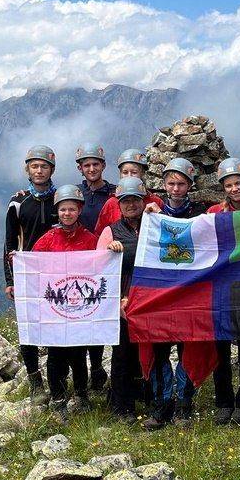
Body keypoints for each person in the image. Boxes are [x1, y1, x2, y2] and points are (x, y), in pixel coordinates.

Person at [142, 157, 209, 429]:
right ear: (163, 184)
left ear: (189, 185)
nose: (175, 188)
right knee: (159, 350)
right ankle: (162, 405)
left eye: (181, 183)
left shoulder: (201, 213)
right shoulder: (152, 214)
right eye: (171, 183)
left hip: (190, 295)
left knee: (187, 349)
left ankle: (184, 404)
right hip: (159, 294)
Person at [31, 184, 99, 422]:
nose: (67, 214)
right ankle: (58, 399)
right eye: (63, 210)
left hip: (80, 309)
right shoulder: (47, 239)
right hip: (55, 311)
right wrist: (19, 261)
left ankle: (81, 395)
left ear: (79, 210)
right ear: (57, 212)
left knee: (79, 354)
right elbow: (33, 265)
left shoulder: (90, 239)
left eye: (71, 209)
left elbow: (101, 268)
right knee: (56, 355)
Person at [4, 145, 59, 406]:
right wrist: (10, 280)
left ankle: (57, 379)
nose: (39, 170)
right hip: (28, 273)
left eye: (44, 166)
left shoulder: (62, 199)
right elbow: (9, 243)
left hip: (57, 272)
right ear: (27, 169)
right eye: (34, 166)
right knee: (29, 328)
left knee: (58, 325)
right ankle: (35, 381)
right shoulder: (17, 202)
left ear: (52, 170)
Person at [207, 158, 240, 425]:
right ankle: (223, 402)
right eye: (229, 185)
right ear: (223, 188)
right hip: (222, 289)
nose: (235, 188)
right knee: (221, 347)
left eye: (238, 183)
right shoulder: (214, 213)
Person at [97, 177, 149, 422]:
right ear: (118, 204)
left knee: (150, 353)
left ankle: (150, 399)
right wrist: (116, 301)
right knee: (122, 355)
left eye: (135, 200)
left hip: (150, 300)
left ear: (143, 201)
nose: (130, 205)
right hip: (123, 302)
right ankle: (122, 407)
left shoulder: (155, 225)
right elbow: (98, 271)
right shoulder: (110, 231)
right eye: (125, 201)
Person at [75, 143, 115, 393]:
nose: (91, 168)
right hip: (79, 263)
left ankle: (98, 367)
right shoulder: (75, 193)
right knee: (81, 315)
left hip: (106, 263)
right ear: (80, 168)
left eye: (95, 164)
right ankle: (87, 372)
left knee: (99, 316)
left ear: (103, 166)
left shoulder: (113, 193)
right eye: (86, 165)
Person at [94, 148, 163, 236]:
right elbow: (100, 234)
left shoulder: (155, 202)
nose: (129, 176)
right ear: (120, 174)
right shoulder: (111, 203)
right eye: (125, 172)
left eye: (134, 172)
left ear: (142, 173)